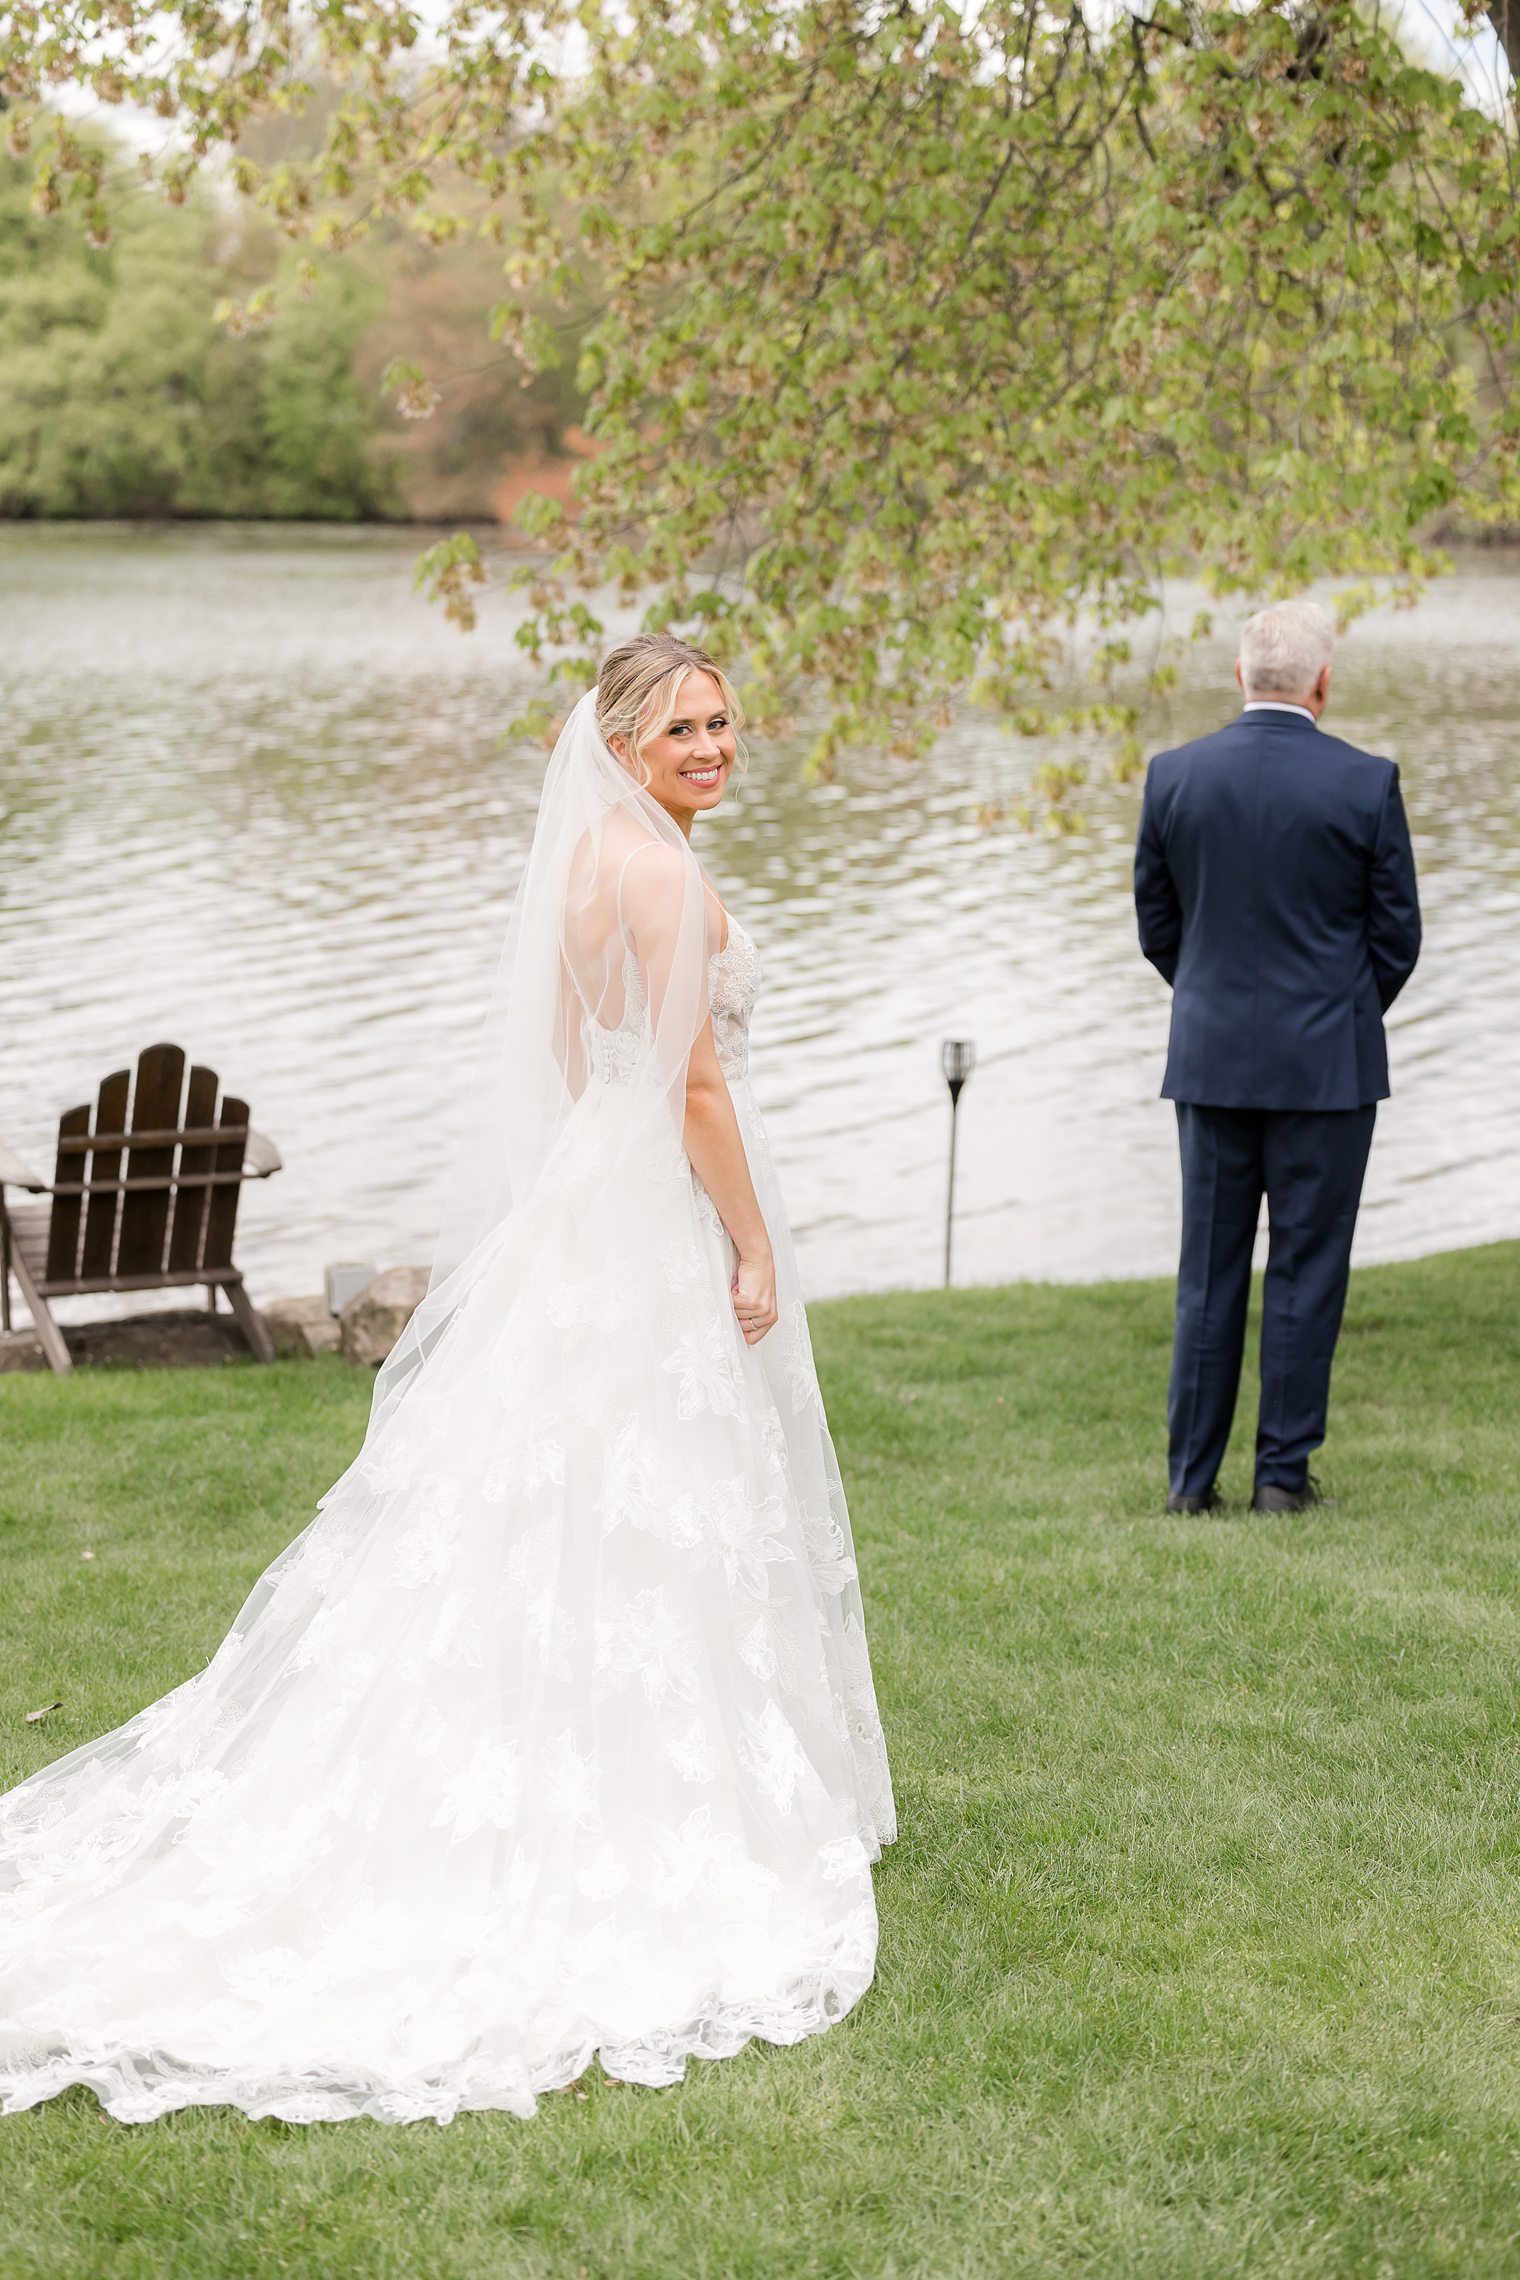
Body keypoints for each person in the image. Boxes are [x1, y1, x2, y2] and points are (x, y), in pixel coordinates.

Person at [0, 635, 895, 2125]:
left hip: (594, 1194)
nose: (715, 747)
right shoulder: (664, 874)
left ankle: (583, 1750)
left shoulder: (594, 859)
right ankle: (643, 1802)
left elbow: (568, 1046)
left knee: (569, 1488)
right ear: (621, 736)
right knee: (655, 1485)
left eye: (727, 723)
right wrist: (749, 1246)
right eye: (684, 726)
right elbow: (691, 1086)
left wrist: (577, 1195)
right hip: (659, 1193)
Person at [1133, 600, 1421, 1515]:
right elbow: (1397, 938)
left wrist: (1213, 1002)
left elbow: (1157, 924)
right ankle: (1282, 1484)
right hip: (1326, 1074)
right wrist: (1335, 1016)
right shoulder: (1366, 782)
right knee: (1308, 1268)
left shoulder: (1175, 776)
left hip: (1212, 1062)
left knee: (1207, 1275)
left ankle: (1189, 1485)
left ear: (1240, 677)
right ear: (1323, 684)